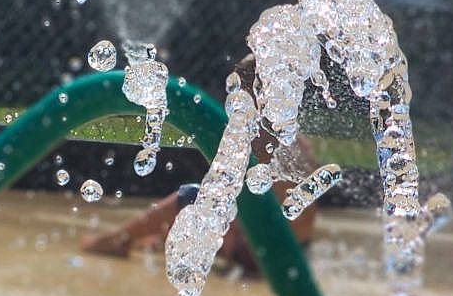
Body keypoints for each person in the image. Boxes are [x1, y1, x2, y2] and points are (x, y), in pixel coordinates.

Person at [82, 56, 318, 269]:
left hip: (261, 254)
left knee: (190, 196)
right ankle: (157, 237)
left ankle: (119, 240)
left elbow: (228, 199)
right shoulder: (292, 136)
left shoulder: (260, 137)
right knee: (203, 210)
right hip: (296, 250)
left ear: (251, 93)